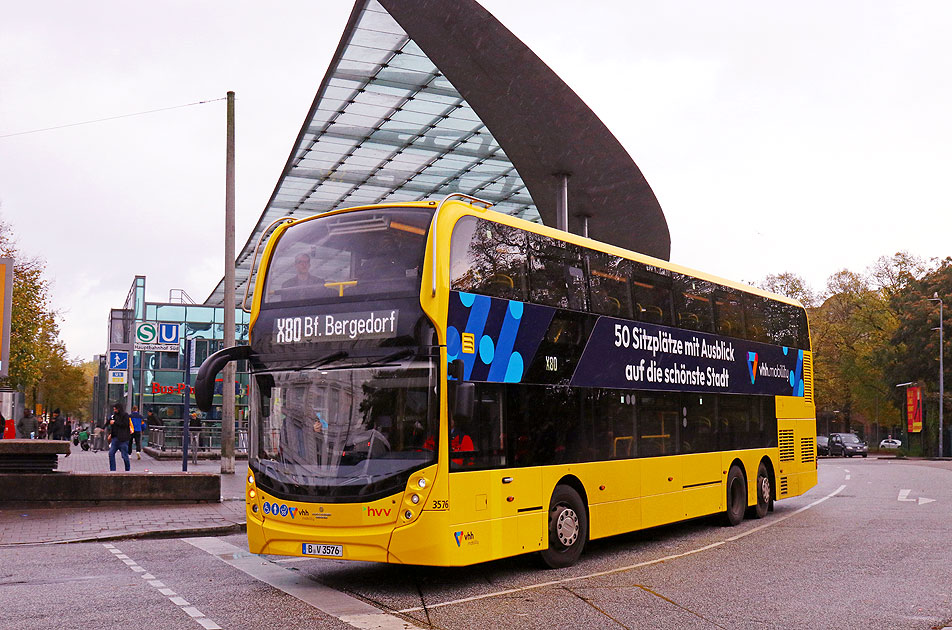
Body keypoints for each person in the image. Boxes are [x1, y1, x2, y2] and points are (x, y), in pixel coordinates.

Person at [107, 403, 132, 472]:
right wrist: (111, 434)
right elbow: (114, 427)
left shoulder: (125, 415)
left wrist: (115, 422)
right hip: (115, 438)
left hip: (123, 439)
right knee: (111, 453)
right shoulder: (114, 416)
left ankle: (127, 469)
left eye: (115, 409)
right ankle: (113, 470)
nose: (114, 410)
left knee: (124, 456)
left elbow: (125, 424)